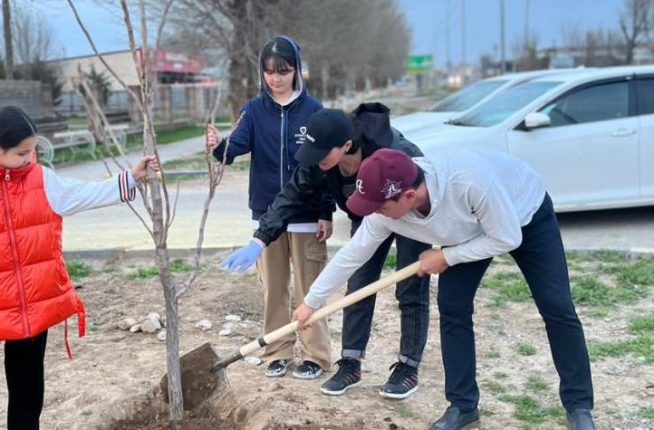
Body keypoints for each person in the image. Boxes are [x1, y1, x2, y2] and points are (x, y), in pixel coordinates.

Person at [293, 148, 596, 430]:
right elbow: (353, 254)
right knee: (452, 306)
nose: (375, 214)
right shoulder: (384, 213)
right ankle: (463, 405)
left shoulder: (469, 182)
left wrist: (446, 256)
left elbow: (506, 237)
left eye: (380, 206)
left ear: (409, 196)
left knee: (557, 306)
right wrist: (312, 303)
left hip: (522, 214)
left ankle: (579, 405)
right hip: (465, 227)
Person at [0, 106, 159, 429]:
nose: (29, 158)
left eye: (32, 150)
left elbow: (81, 194)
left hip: (31, 305)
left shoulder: (39, 177)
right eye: (22, 153)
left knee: (28, 395)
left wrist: (129, 178)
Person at [222, 104, 431, 399]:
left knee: (411, 287)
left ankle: (408, 368)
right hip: (370, 216)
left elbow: (421, 194)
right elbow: (291, 195)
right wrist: (259, 240)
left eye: (321, 153)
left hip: (407, 209)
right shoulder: (319, 160)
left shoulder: (391, 154)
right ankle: (350, 362)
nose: (314, 159)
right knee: (359, 283)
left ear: (346, 145)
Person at [205, 36, 333, 379]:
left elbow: (324, 167)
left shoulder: (314, 110)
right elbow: (236, 148)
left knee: (311, 289)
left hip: (307, 216)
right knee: (274, 289)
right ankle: (277, 351)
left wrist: (325, 211)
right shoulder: (253, 110)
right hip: (266, 215)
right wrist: (220, 147)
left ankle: (315, 355)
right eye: (269, 72)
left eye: (283, 71)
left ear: (296, 70)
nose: (275, 78)